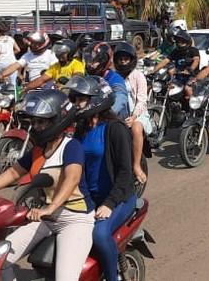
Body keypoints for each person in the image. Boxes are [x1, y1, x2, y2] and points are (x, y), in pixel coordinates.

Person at [0, 90, 93, 281]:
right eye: (33, 122)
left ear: (57, 120)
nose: (36, 127)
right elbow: (12, 173)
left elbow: (72, 179)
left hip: (74, 219)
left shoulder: (71, 146)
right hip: (46, 217)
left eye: (41, 122)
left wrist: (50, 207)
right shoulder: (37, 150)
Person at [64, 76, 136, 281]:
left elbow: (125, 173)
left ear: (96, 99)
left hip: (119, 198)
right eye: (75, 99)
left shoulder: (116, 128)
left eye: (81, 100)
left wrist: (109, 204)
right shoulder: (81, 129)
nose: (76, 104)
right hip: (89, 198)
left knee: (99, 235)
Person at [112, 42, 149, 184]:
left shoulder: (138, 76)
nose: (123, 62)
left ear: (131, 60)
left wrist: (133, 117)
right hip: (117, 114)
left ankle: (136, 165)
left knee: (136, 128)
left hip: (137, 114)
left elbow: (142, 100)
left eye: (126, 59)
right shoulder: (113, 77)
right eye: (120, 59)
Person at [83, 42, 130, 119]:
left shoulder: (115, 79)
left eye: (94, 61)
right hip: (92, 117)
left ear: (104, 60)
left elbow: (121, 98)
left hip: (114, 120)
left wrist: (104, 116)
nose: (90, 64)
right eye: (89, 61)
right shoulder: (89, 76)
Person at [0, 22, 19, 88]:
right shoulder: (11, 38)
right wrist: (10, 54)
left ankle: (0, 93)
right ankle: (13, 97)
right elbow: (18, 49)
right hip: (12, 62)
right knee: (13, 82)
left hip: (1, 63)